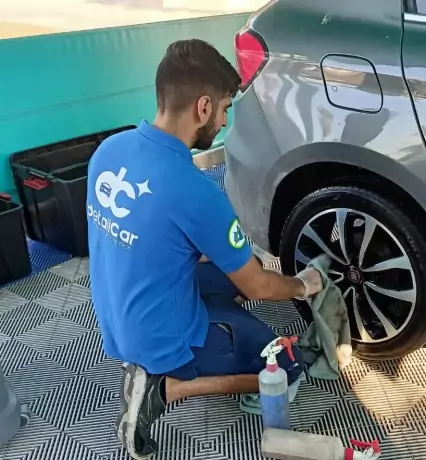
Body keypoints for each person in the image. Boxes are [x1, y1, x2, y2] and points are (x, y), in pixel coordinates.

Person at [86, 39, 323, 460]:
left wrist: (227, 250)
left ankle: (165, 360)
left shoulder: (110, 150)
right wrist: (303, 285)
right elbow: (258, 288)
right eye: (225, 108)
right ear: (203, 107)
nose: (224, 119)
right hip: (163, 340)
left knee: (229, 270)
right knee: (285, 366)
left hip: (118, 318)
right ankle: (167, 387)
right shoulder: (196, 193)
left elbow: (156, 237)